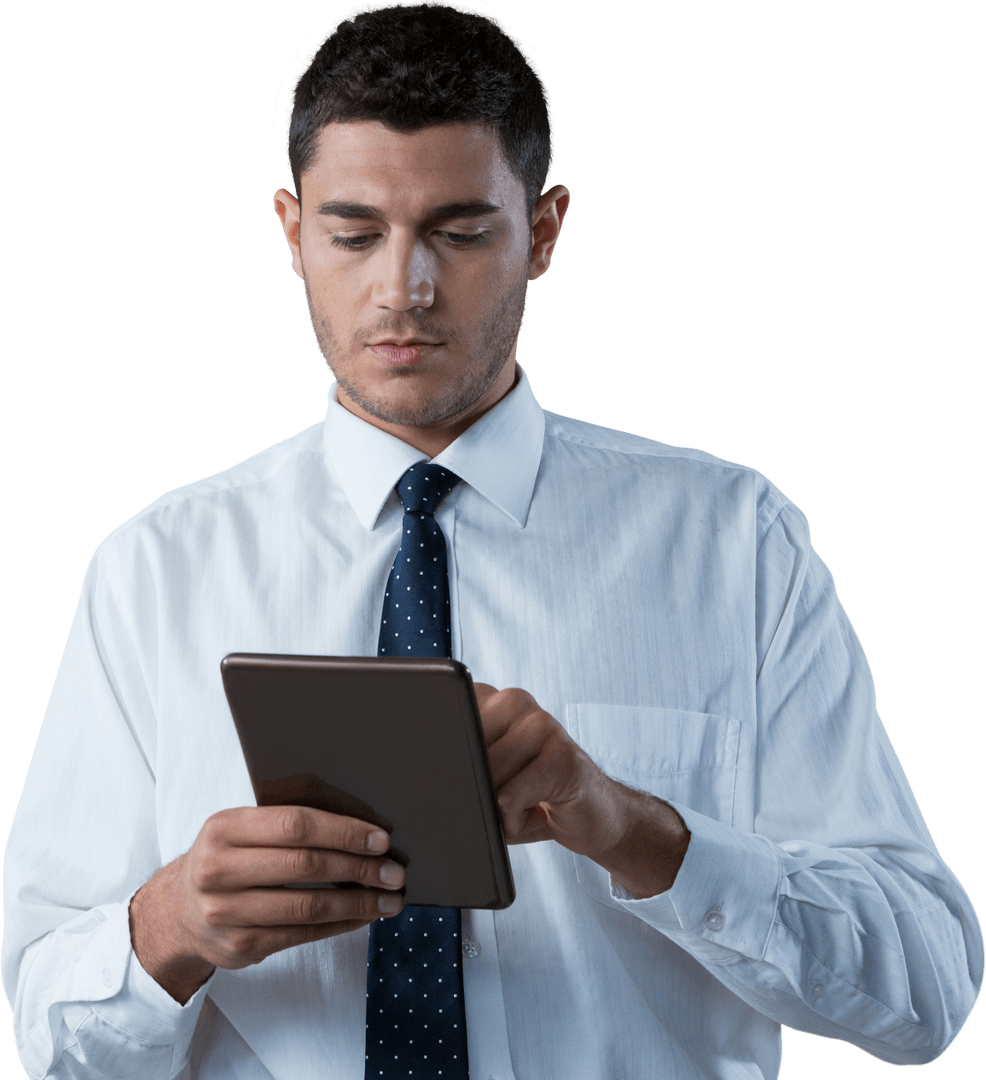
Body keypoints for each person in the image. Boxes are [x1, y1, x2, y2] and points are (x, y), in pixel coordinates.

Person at [2, 1, 982, 1077]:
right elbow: (49, 1029)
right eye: (353, 233)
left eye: (460, 232)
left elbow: (924, 990)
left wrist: (638, 834)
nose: (404, 289)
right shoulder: (155, 569)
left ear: (544, 232)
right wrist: (170, 928)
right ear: (291, 234)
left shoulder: (731, 544)